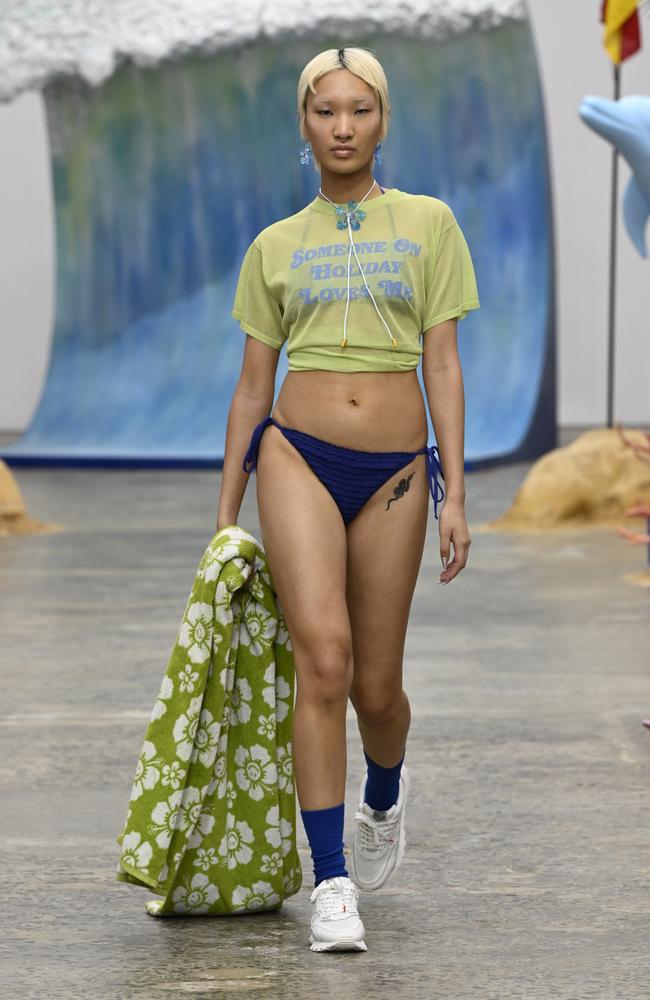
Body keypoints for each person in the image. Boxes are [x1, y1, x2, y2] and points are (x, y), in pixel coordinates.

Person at [216, 45, 480, 952]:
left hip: (399, 469)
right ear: (304, 123)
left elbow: (442, 361)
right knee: (322, 661)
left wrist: (455, 491)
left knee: (376, 687)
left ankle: (385, 786)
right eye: (324, 110)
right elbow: (253, 390)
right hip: (297, 454)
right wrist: (224, 517)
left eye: (358, 109)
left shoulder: (430, 225)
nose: (341, 125)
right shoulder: (274, 246)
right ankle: (331, 882)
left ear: (382, 119)